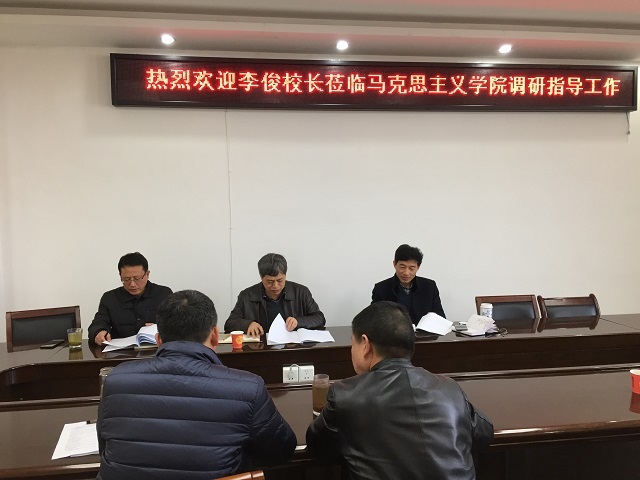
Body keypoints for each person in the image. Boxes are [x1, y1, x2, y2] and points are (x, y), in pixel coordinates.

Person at [97, 289, 297, 480]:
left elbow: (105, 449)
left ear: (158, 340)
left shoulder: (115, 381)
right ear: (215, 336)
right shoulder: (248, 388)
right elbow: (280, 451)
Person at [306, 301, 493, 480]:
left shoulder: (345, 394)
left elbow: (317, 445)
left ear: (365, 344)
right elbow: (485, 432)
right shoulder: (449, 388)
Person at [225, 253, 325, 336]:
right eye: (270, 281)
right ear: (261, 277)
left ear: (285, 275)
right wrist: (248, 324)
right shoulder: (247, 296)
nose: (275, 286)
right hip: (261, 348)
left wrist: (298, 321)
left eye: (280, 280)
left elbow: (319, 318)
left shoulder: (301, 292)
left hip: (293, 347)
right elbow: (229, 324)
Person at [88, 252, 172, 345]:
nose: (132, 284)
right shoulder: (110, 298)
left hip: (156, 350)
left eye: (137, 278)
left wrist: (158, 328)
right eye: (126, 279)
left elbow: (176, 324)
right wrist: (98, 332)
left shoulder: (164, 294)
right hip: (121, 351)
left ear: (147, 274)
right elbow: (97, 324)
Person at [372, 244, 445, 324]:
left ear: (418, 267)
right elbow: (374, 318)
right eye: (402, 267)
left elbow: (440, 317)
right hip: (394, 331)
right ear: (394, 264)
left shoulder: (429, 287)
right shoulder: (381, 289)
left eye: (411, 268)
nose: (406, 273)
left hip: (423, 331)